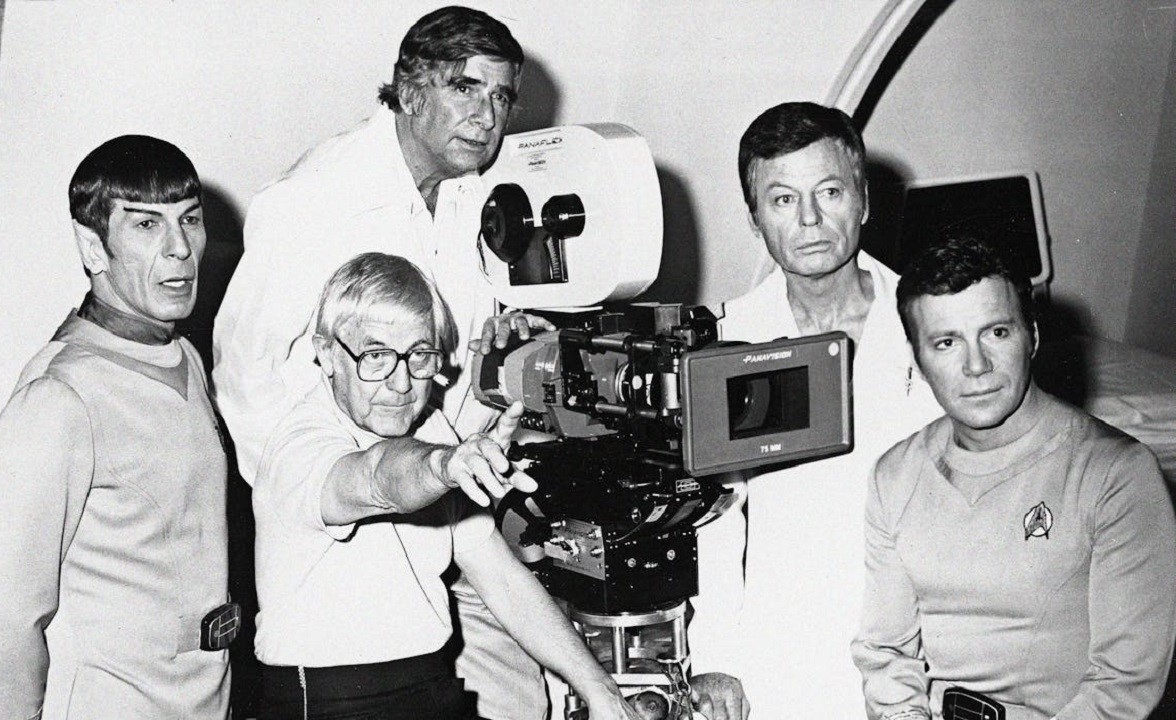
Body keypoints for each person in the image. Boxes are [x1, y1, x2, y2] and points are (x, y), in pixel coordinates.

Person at [211, 8, 548, 716]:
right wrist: (318, 507)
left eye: (501, 97)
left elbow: (455, 369)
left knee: (526, 700)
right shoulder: (315, 199)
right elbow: (246, 378)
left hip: (454, 508)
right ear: (410, 89)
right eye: (467, 88)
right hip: (350, 522)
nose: (487, 116)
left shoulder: (473, 197)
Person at [253, 252, 640, 720]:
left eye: (419, 357)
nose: (401, 383)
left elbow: (500, 578)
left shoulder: (431, 425)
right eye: (375, 356)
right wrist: (443, 466)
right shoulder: (299, 445)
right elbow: (377, 476)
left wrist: (600, 689)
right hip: (329, 700)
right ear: (328, 353)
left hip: (430, 685)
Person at [0, 135, 234, 719]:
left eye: (190, 220)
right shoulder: (59, 398)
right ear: (93, 245)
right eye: (146, 225)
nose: (180, 249)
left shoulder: (183, 355)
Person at [852, 235, 1176, 720]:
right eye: (946, 342)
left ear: (1033, 336)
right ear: (917, 360)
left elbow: (1122, 688)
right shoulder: (894, 475)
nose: (976, 366)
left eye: (997, 333)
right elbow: (886, 655)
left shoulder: (1118, 475)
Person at [687, 102, 942, 718]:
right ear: (754, 219)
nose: (809, 219)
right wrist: (717, 655)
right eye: (782, 200)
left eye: (829, 191)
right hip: (780, 657)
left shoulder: (931, 327)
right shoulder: (725, 341)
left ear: (864, 201)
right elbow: (716, 519)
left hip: (920, 653)